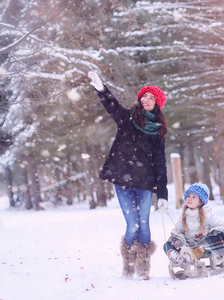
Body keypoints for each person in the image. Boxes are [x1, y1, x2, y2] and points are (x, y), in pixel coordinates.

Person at [88, 71, 169, 280]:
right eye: (144, 96)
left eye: (152, 97)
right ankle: (128, 260)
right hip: (122, 179)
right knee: (132, 223)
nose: (147, 99)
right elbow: (112, 106)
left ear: (157, 104)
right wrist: (101, 89)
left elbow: (161, 164)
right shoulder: (128, 119)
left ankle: (143, 266)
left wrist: (162, 195)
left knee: (144, 221)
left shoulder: (158, 132)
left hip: (144, 182)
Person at [163, 183, 224, 267]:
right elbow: (178, 230)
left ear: (201, 201)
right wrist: (176, 237)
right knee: (167, 244)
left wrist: (207, 234)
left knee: (221, 234)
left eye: (194, 197)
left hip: (204, 247)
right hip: (187, 247)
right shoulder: (184, 216)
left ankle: (193, 254)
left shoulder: (207, 214)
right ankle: (176, 257)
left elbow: (221, 226)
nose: (190, 199)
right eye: (188, 196)